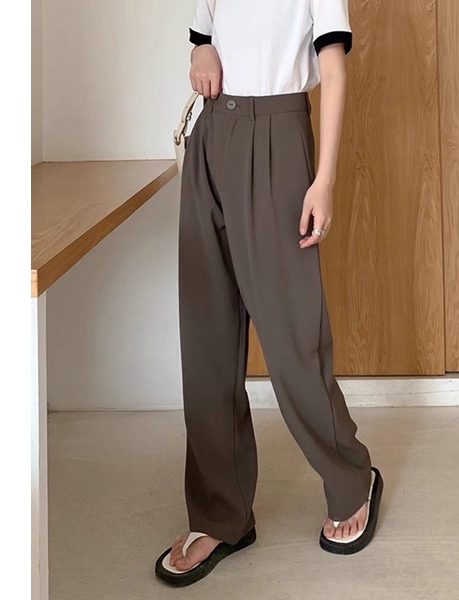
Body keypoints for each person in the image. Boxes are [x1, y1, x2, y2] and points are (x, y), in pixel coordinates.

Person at [155, 0, 383, 586]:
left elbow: (333, 70)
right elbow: (205, 33)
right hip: (212, 133)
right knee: (207, 336)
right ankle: (221, 514)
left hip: (278, 135)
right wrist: (201, 51)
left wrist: (324, 179)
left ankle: (351, 478)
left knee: (291, 337)